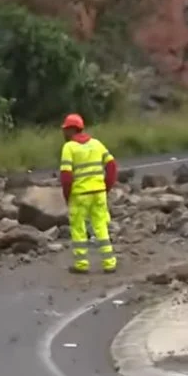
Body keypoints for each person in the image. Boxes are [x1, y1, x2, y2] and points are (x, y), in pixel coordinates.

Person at [59, 113, 118, 274]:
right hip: (98, 193)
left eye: (65, 129)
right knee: (101, 226)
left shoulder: (69, 147)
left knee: (78, 228)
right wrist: (106, 187)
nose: (63, 133)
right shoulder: (97, 144)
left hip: (79, 195)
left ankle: (82, 264)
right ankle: (109, 263)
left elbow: (66, 177)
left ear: (72, 130)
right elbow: (112, 166)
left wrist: (67, 195)